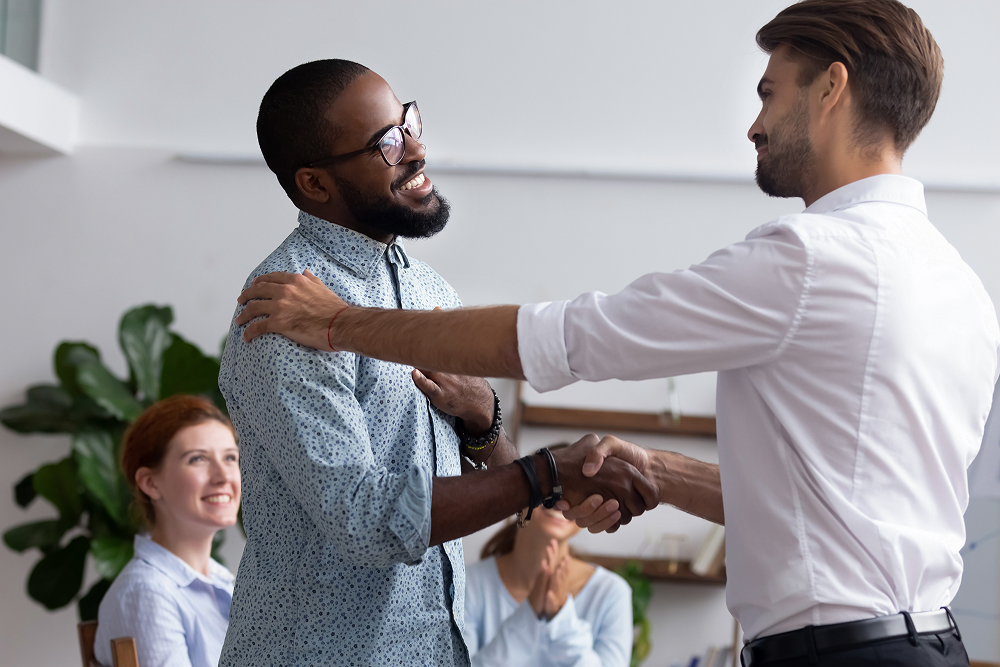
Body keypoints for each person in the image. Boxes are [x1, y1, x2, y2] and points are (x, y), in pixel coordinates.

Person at [235, 2, 999, 666]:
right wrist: (649, 468)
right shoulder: (958, 284)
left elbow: (575, 335)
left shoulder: (812, 258)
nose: (754, 124)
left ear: (832, 88)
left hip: (839, 652)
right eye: (388, 140)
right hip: (926, 641)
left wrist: (339, 324)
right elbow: (823, 505)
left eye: (769, 93)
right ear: (315, 180)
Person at [218, 60, 656, 667]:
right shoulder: (282, 314)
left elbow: (485, 476)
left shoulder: (428, 291)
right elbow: (366, 520)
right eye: (386, 143)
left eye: (409, 122)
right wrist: (544, 473)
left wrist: (484, 420)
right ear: (315, 184)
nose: (417, 150)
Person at [95, 395, 240, 667]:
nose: (224, 476)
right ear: (151, 483)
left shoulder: (221, 580)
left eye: (230, 457)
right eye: (198, 459)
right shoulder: (147, 593)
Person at [466, 508, 633, 666]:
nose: (560, 500)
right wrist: (528, 615)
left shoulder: (611, 593)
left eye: (574, 491)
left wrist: (562, 617)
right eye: (549, 489)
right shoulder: (467, 585)